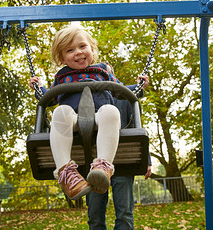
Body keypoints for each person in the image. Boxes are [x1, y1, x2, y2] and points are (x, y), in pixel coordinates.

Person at [29, 25, 149, 201]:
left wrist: (138, 88)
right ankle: (66, 173)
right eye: (70, 50)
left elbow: (121, 91)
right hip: (73, 121)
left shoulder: (102, 71)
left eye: (82, 46)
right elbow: (49, 99)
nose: (78, 52)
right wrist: (39, 88)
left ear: (92, 49)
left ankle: (102, 166)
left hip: (100, 117)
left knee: (111, 110)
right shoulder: (61, 76)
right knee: (61, 111)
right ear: (62, 58)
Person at [86, 63, 152, 230]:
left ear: (112, 76)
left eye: (105, 69)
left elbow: (137, 127)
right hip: (96, 162)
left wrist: (147, 160)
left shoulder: (124, 96)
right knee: (94, 215)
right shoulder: (88, 97)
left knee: (124, 214)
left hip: (123, 159)